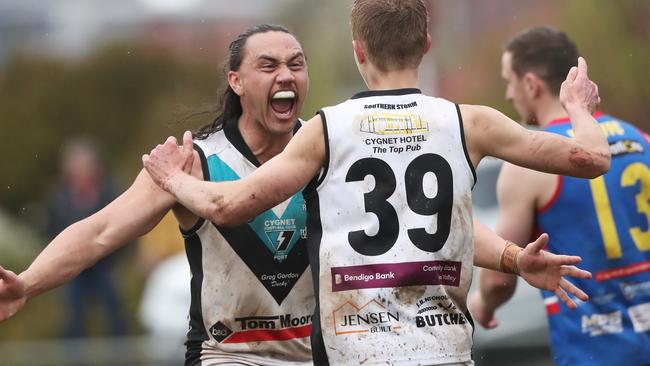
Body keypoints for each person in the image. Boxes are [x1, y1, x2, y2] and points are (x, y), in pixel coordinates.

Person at [140, 1, 610, 365]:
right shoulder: (470, 123)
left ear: (358, 50)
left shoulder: (328, 130)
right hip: (442, 348)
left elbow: (227, 207)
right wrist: (576, 108)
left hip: (356, 352)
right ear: (427, 44)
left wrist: (173, 180)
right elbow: (591, 158)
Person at [0, 24, 315, 365]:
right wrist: (27, 283)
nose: (285, 75)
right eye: (269, 66)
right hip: (226, 356)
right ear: (235, 81)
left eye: (296, 65)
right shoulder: (188, 165)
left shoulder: (330, 155)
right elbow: (99, 232)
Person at [469, 26, 650, 366]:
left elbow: (499, 278)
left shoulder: (530, 165)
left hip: (592, 351)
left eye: (510, 80)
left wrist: (483, 303)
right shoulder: (641, 139)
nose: (508, 95)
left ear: (531, 84)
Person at [47, 138, 126, 338]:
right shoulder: (59, 198)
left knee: (114, 309)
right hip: (73, 270)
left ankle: (121, 355)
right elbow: (53, 231)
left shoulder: (110, 192)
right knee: (73, 314)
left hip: (103, 266)